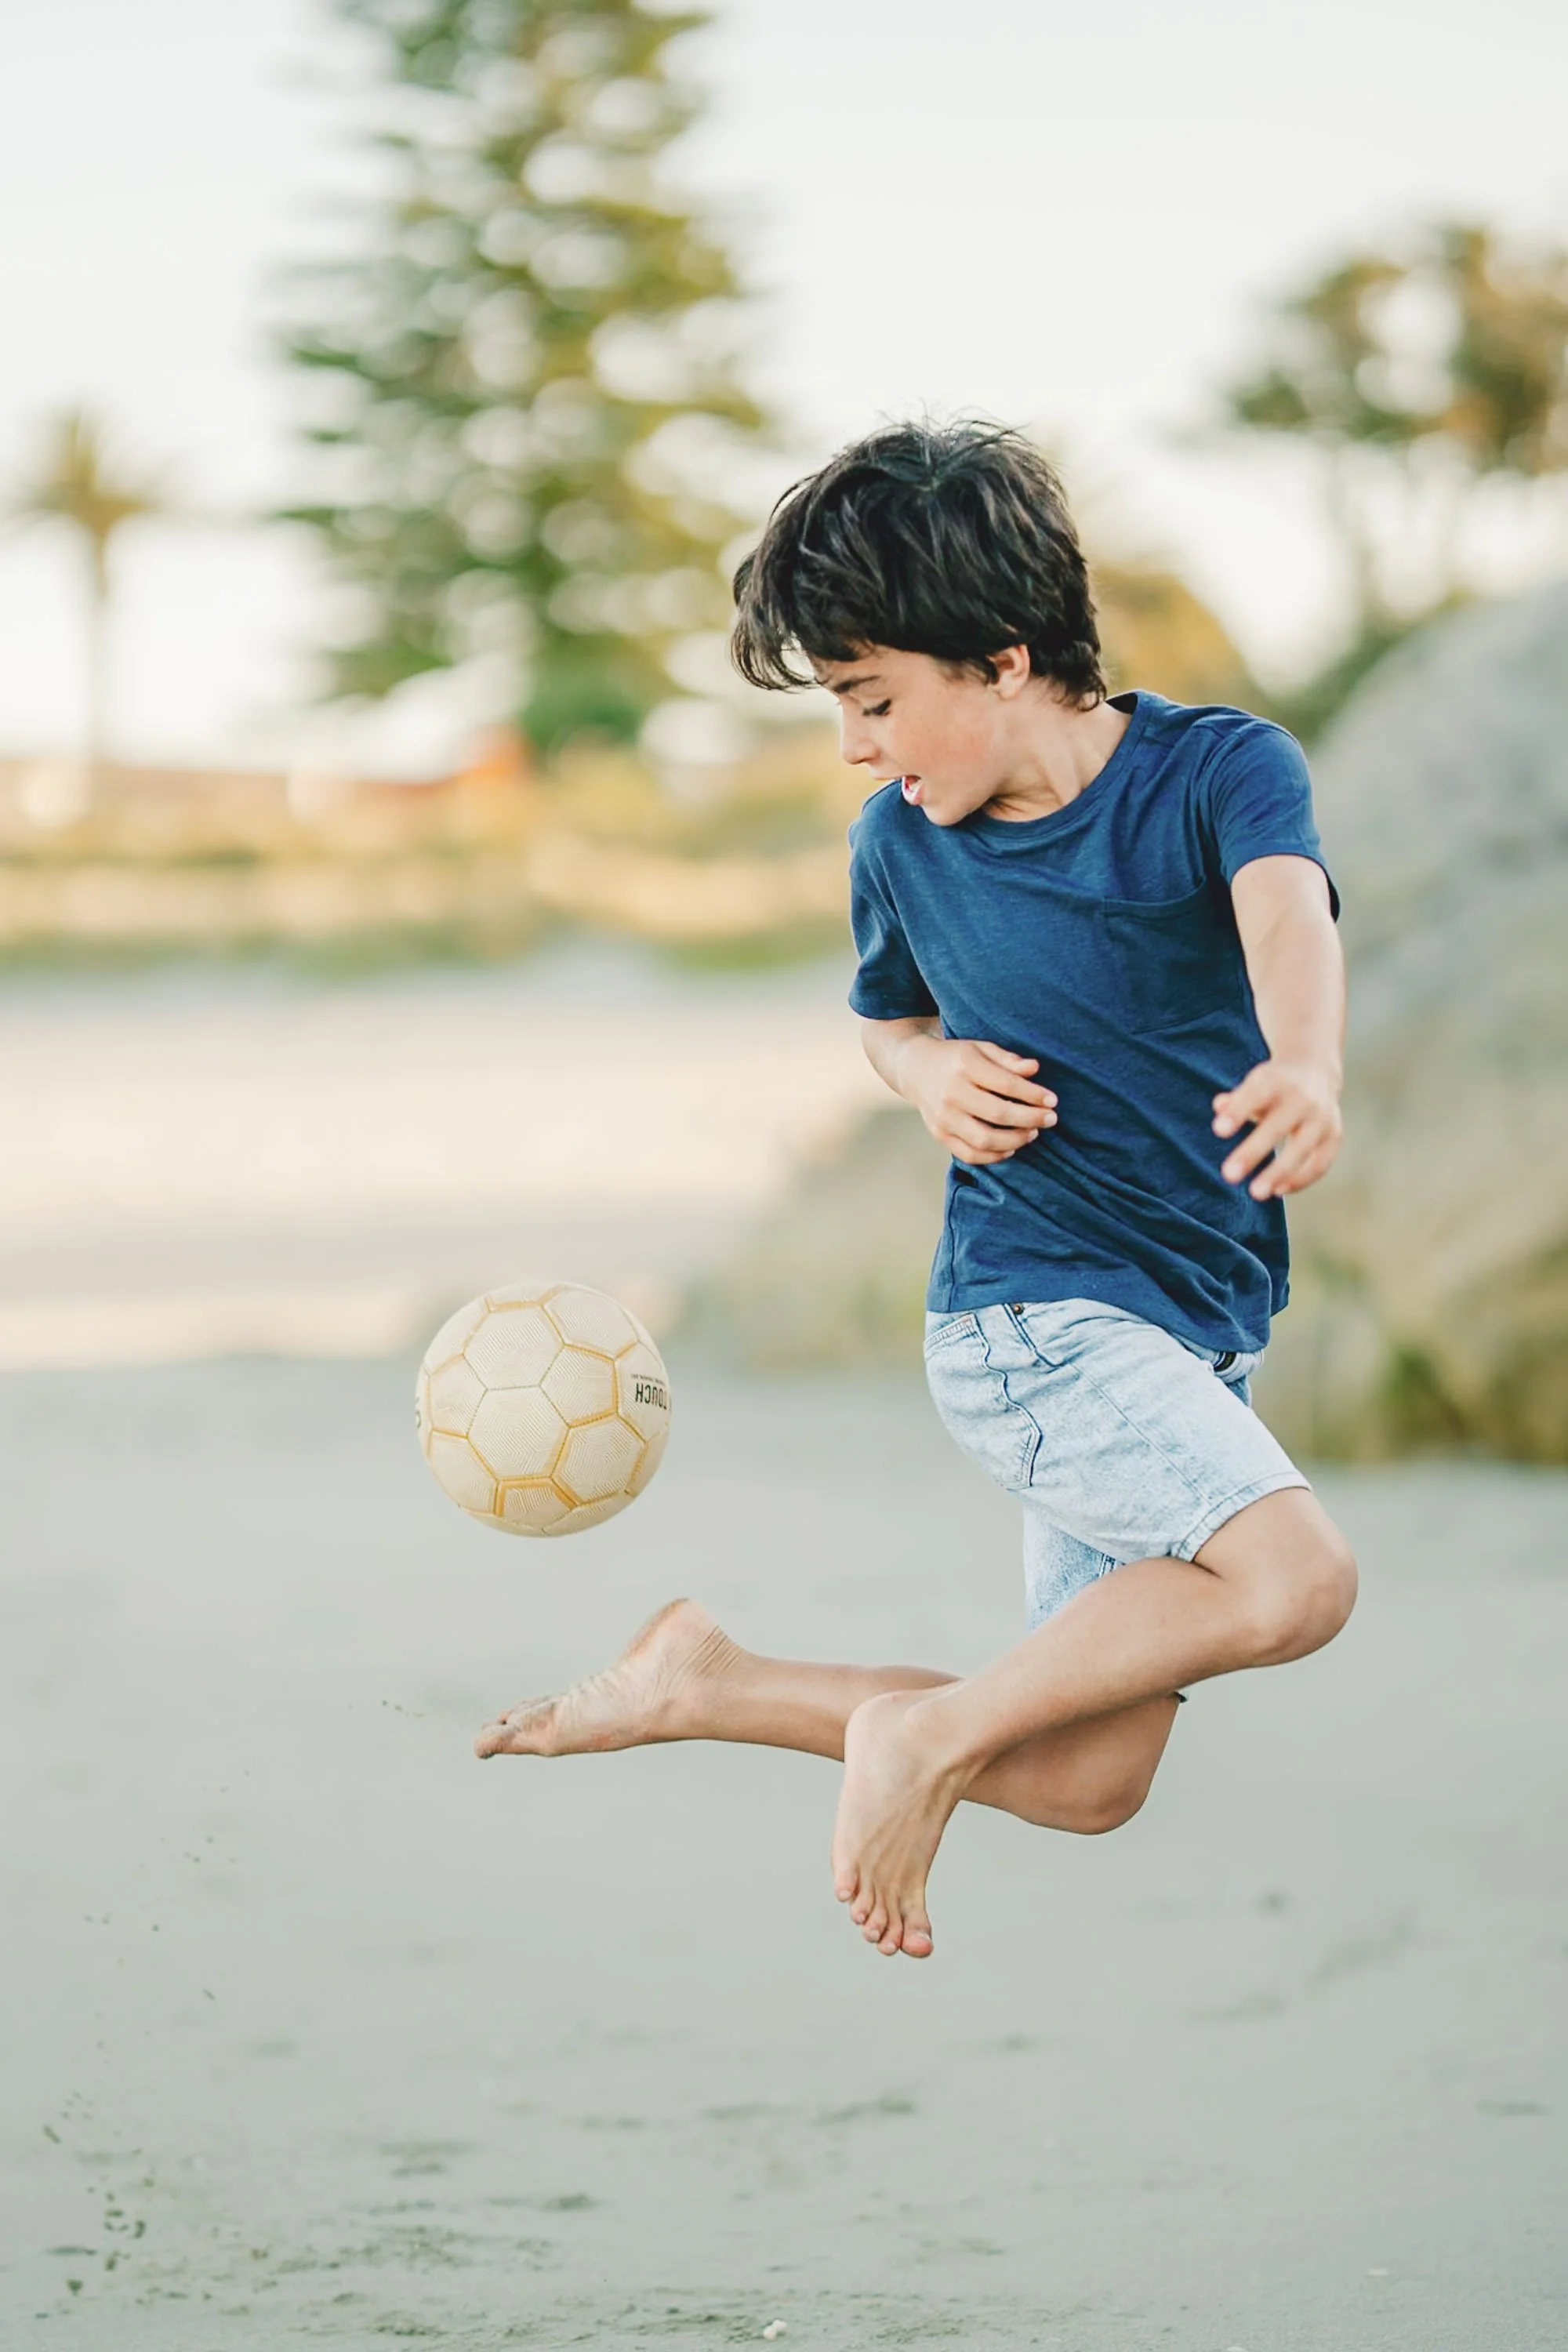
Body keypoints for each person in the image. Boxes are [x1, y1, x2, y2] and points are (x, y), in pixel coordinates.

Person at [476, 419, 1357, 1962]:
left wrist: (1309, 1065)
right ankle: (919, 1742)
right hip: (1033, 1327)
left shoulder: (1216, 769)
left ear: (1002, 657)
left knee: (1085, 1782)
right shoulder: (898, 844)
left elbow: (1285, 917)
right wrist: (925, 1078)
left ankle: (712, 1683)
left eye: (872, 701)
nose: (855, 749)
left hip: (1188, 1327)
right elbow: (886, 1021)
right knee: (1295, 1579)